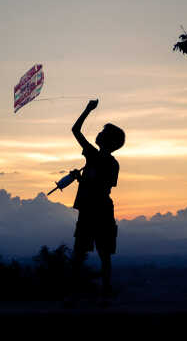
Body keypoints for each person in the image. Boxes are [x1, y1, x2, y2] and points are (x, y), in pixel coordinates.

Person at [68, 99, 125, 304]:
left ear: (107, 140)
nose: (99, 133)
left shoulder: (93, 155)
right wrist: (81, 179)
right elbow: (103, 187)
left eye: (102, 132)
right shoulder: (113, 163)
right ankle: (105, 292)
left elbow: (75, 130)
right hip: (102, 210)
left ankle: (74, 295)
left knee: (79, 253)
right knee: (104, 254)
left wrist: (87, 110)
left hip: (91, 210)